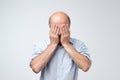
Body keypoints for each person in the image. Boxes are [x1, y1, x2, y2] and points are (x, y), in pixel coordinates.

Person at [30, 11, 92, 80]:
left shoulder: (79, 44)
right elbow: (35, 68)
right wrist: (52, 45)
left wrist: (66, 44)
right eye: (55, 27)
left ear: (69, 27)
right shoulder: (41, 45)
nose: (59, 32)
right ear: (50, 27)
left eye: (63, 27)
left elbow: (85, 67)